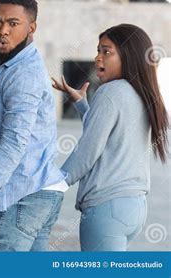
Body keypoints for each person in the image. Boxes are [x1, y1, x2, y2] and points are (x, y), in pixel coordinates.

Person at [52, 23, 169, 251]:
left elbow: (88, 151)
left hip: (106, 207)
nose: (98, 58)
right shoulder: (142, 93)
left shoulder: (110, 92)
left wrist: (54, 183)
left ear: (128, 56)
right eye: (98, 51)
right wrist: (81, 103)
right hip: (133, 207)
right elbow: (107, 133)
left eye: (107, 51)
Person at [0, 0, 68, 251]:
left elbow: (14, 140)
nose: (3, 30)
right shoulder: (10, 64)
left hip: (19, 197)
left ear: (31, 28)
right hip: (42, 194)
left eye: (13, 23)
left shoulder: (22, 73)